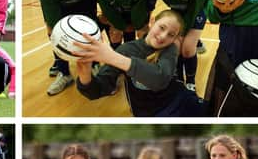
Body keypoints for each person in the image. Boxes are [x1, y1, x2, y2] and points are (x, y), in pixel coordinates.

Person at [76, 9, 205, 117]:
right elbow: (97, 90)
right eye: (161, 28)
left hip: (179, 101)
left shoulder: (170, 49)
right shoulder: (126, 50)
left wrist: (112, 57)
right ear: (152, 21)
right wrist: (85, 76)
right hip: (148, 114)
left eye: (171, 35)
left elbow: (160, 78)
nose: (163, 36)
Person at [37, 0, 97, 95]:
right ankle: (64, 73)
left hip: (86, 4)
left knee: (91, 30)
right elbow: (53, 23)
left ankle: (95, 64)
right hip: (62, 9)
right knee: (54, 32)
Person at [148, 0, 205, 91]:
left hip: (196, 13)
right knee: (175, 47)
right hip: (177, 13)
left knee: (187, 48)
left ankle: (191, 81)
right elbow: (150, 1)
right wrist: (148, 16)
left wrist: (181, 32)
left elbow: (194, 9)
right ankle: (178, 79)